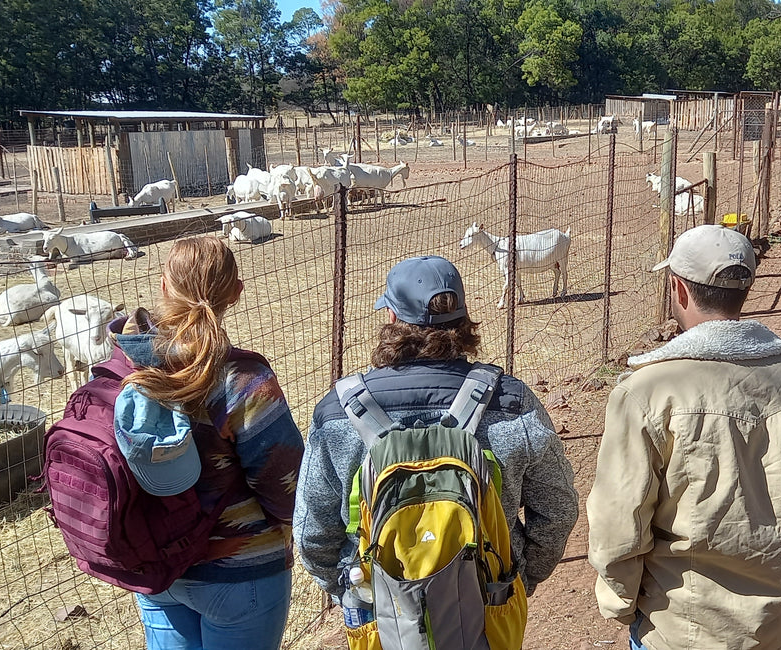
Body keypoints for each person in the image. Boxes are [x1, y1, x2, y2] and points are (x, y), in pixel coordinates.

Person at [586, 224, 781, 650]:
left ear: (679, 289)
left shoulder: (646, 392)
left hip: (675, 624)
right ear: (745, 290)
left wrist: (622, 603)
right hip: (769, 623)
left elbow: (619, 523)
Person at [293, 255, 579, 633]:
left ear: (392, 320)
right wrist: (520, 577)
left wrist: (350, 589)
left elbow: (312, 533)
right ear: (463, 322)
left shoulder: (338, 414)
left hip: (380, 617)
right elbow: (557, 510)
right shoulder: (512, 404)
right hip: (487, 606)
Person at [119, 236, 307, 650]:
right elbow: (285, 484)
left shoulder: (125, 365)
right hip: (242, 573)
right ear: (237, 294)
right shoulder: (242, 379)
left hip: (158, 566)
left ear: (164, 287)